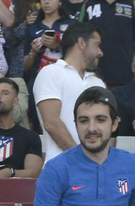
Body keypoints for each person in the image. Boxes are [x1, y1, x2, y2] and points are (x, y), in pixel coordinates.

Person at [32, 19, 103, 159]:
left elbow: (107, 127)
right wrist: (82, 160)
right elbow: (52, 123)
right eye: (97, 45)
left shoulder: (98, 82)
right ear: (82, 43)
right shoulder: (51, 72)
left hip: (96, 171)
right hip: (60, 170)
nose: (100, 52)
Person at [79, 0, 135, 86]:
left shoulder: (132, 2)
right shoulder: (88, 3)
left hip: (126, 76)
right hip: (94, 75)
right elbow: (79, 38)